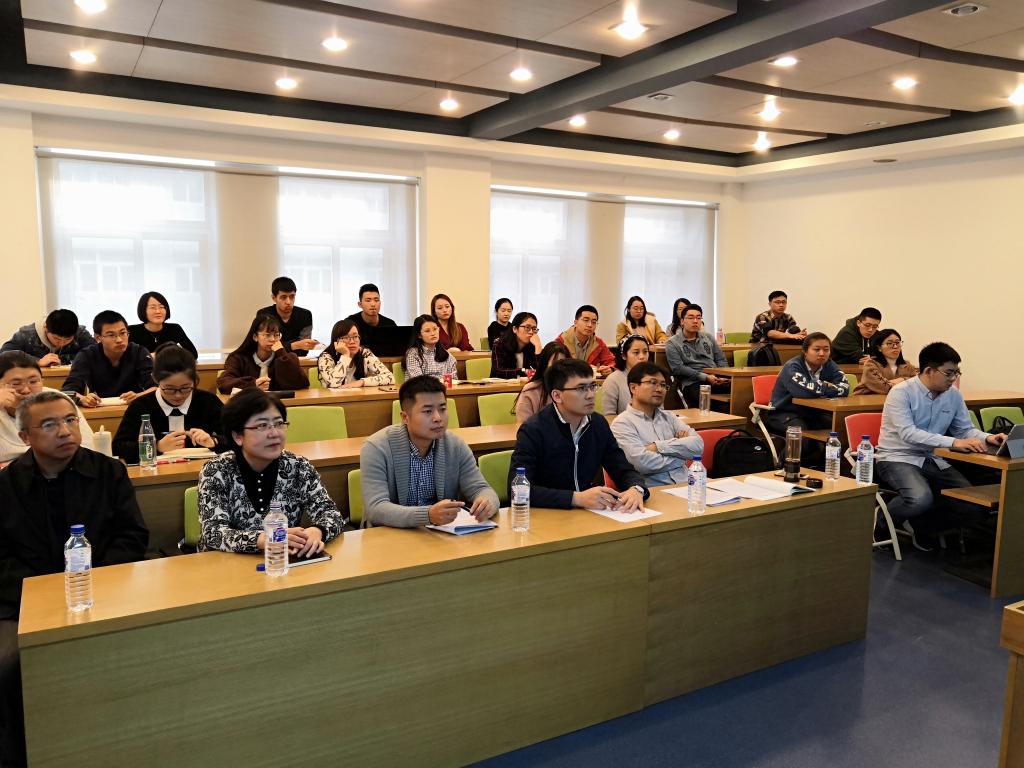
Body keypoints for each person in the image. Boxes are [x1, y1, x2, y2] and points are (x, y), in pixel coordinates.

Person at [0, 390, 148, 767]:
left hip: (103, 590)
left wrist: (94, 582)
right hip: (22, 602)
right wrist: (43, 594)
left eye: (69, 420)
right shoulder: (6, 485)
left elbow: (132, 536)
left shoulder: (109, 471)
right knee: (9, 664)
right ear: (25, 436)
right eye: (49, 425)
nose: (65, 431)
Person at [875, 342, 1004, 547]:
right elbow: (908, 433)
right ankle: (882, 522)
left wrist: (987, 438)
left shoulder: (954, 395)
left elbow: (965, 430)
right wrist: (954, 442)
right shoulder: (901, 393)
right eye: (949, 373)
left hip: (931, 458)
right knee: (919, 498)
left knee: (973, 505)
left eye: (957, 373)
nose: (953, 378)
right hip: (896, 457)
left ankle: (921, 526)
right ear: (929, 371)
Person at [197, 388, 344, 554]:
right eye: (262, 426)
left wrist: (317, 531)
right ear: (238, 436)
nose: (274, 433)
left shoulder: (297, 466)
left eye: (279, 424)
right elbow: (213, 533)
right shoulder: (216, 470)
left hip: (282, 560)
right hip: (225, 563)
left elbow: (331, 513)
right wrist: (263, 539)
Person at [360, 375, 499, 528]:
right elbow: (376, 509)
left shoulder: (455, 445)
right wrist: (427, 515)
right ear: (405, 417)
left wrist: (487, 502)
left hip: (440, 533)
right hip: (389, 534)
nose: (438, 418)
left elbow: (482, 489)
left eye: (442, 409)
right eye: (427, 411)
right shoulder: (376, 448)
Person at [509, 358, 647, 510]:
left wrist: (636, 489)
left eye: (592, 386)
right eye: (581, 388)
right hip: (547, 514)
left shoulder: (598, 424)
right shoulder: (534, 429)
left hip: (588, 512)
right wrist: (575, 498)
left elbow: (622, 468)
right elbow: (517, 490)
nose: (590, 395)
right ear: (557, 396)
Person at [113, 344, 228, 462]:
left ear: (194, 380)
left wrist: (213, 441)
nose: (178, 395)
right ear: (155, 379)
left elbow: (235, 436)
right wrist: (157, 446)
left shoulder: (208, 401)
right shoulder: (141, 406)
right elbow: (118, 447)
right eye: (169, 389)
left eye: (185, 388)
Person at [611, 362, 704, 486]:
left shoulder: (670, 417)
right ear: (633, 388)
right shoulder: (622, 423)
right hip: (654, 491)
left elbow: (698, 446)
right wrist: (682, 456)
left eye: (663, 385)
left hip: (688, 484)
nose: (660, 389)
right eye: (653, 383)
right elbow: (640, 463)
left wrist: (657, 446)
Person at [0, 351, 94, 465]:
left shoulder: (58, 401)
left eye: (33, 381)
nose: (26, 390)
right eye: (16, 384)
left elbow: (88, 447)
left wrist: (21, 465)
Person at [62, 310, 154, 407]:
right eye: (111, 335)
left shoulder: (139, 352)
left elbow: (157, 387)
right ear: (98, 338)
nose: (119, 340)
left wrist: (139, 396)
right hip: (100, 409)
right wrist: (82, 399)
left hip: (134, 407)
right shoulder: (87, 355)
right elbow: (68, 391)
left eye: (123, 333)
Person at [764, 332, 849, 436]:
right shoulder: (792, 367)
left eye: (826, 350)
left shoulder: (829, 364)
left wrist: (818, 388)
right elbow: (802, 392)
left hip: (813, 413)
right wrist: (825, 386)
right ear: (805, 351)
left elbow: (845, 388)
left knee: (841, 428)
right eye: (816, 349)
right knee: (803, 437)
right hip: (784, 413)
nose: (822, 353)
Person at [217, 315, 309, 394]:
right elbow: (224, 383)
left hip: (279, 405)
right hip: (248, 405)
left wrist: (281, 353)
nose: (273, 339)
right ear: (255, 337)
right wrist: (253, 384)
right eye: (267, 335)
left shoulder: (286, 358)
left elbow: (302, 383)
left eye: (276, 335)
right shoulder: (239, 358)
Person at [665, 304, 729, 407]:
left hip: (715, 379)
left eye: (698, 318)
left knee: (740, 392)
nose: (695, 321)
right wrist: (705, 377)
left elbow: (721, 359)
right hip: (692, 382)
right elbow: (678, 368)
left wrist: (723, 376)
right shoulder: (672, 343)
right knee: (712, 404)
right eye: (691, 318)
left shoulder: (708, 337)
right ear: (682, 321)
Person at [1, 309, 94, 367]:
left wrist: (65, 360)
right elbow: (3, 355)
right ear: (45, 328)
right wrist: (37, 361)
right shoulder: (26, 335)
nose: (62, 343)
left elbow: (96, 354)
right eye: (57, 339)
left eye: (68, 339)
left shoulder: (80, 333)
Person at [317, 319, 394, 389]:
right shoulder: (326, 357)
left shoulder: (364, 353)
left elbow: (390, 377)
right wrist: (345, 355)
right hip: (334, 398)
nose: (352, 341)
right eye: (346, 337)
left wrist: (362, 382)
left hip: (358, 397)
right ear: (336, 340)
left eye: (355, 336)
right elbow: (333, 383)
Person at [258, 276, 318, 357]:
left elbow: (304, 349)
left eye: (292, 296)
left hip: (298, 360)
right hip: (271, 361)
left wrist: (281, 345)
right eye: (283, 297)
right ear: (274, 298)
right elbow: (266, 347)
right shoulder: (264, 315)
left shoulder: (305, 315)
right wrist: (295, 345)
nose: (288, 302)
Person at [127, 291, 198, 357]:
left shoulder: (174, 329)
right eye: (153, 307)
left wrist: (154, 356)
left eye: (161, 307)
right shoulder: (132, 331)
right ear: (143, 310)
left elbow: (193, 354)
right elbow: (126, 358)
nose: (158, 311)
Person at [513, 342, 569, 423]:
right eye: (554, 363)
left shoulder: (573, 389)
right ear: (544, 365)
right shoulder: (530, 391)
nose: (559, 368)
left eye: (563, 364)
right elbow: (524, 426)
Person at [854, 329, 918, 395]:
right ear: (879, 348)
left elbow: (918, 384)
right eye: (890, 343)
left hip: (898, 399)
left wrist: (902, 379)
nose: (895, 346)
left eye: (897, 342)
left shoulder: (907, 365)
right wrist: (907, 381)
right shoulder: (871, 365)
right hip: (868, 399)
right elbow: (884, 387)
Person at [556, 305, 615, 376]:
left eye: (594, 322)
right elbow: (555, 366)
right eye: (586, 320)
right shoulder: (561, 341)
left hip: (590, 381)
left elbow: (611, 361)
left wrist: (610, 368)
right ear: (575, 322)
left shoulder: (598, 343)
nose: (590, 325)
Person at [602, 334, 649, 416]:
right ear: (624, 355)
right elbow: (608, 416)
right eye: (636, 352)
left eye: (645, 352)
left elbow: (659, 412)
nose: (642, 357)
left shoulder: (653, 377)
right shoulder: (613, 380)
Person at [345, 283, 397, 353]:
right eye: (368, 300)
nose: (373, 304)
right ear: (360, 304)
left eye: (376, 300)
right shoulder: (350, 323)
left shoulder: (390, 324)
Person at [404, 315, 457, 380]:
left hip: (443, 386)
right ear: (419, 335)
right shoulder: (413, 354)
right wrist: (442, 380)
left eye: (435, 329)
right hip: (422, 386)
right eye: (427, 331)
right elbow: (419, 381)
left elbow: (454, 380)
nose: (433, 333)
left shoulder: (447, 355)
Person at [491, 312, 539, 379]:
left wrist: (538, 347)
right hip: (501, 384)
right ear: (515, 329)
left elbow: (539, 372)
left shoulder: (532, 346)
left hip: (524, 385)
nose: (531, 332)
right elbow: (498, 371)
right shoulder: (499, 344)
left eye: (534, 328)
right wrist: (523, 371)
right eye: (527, 327)